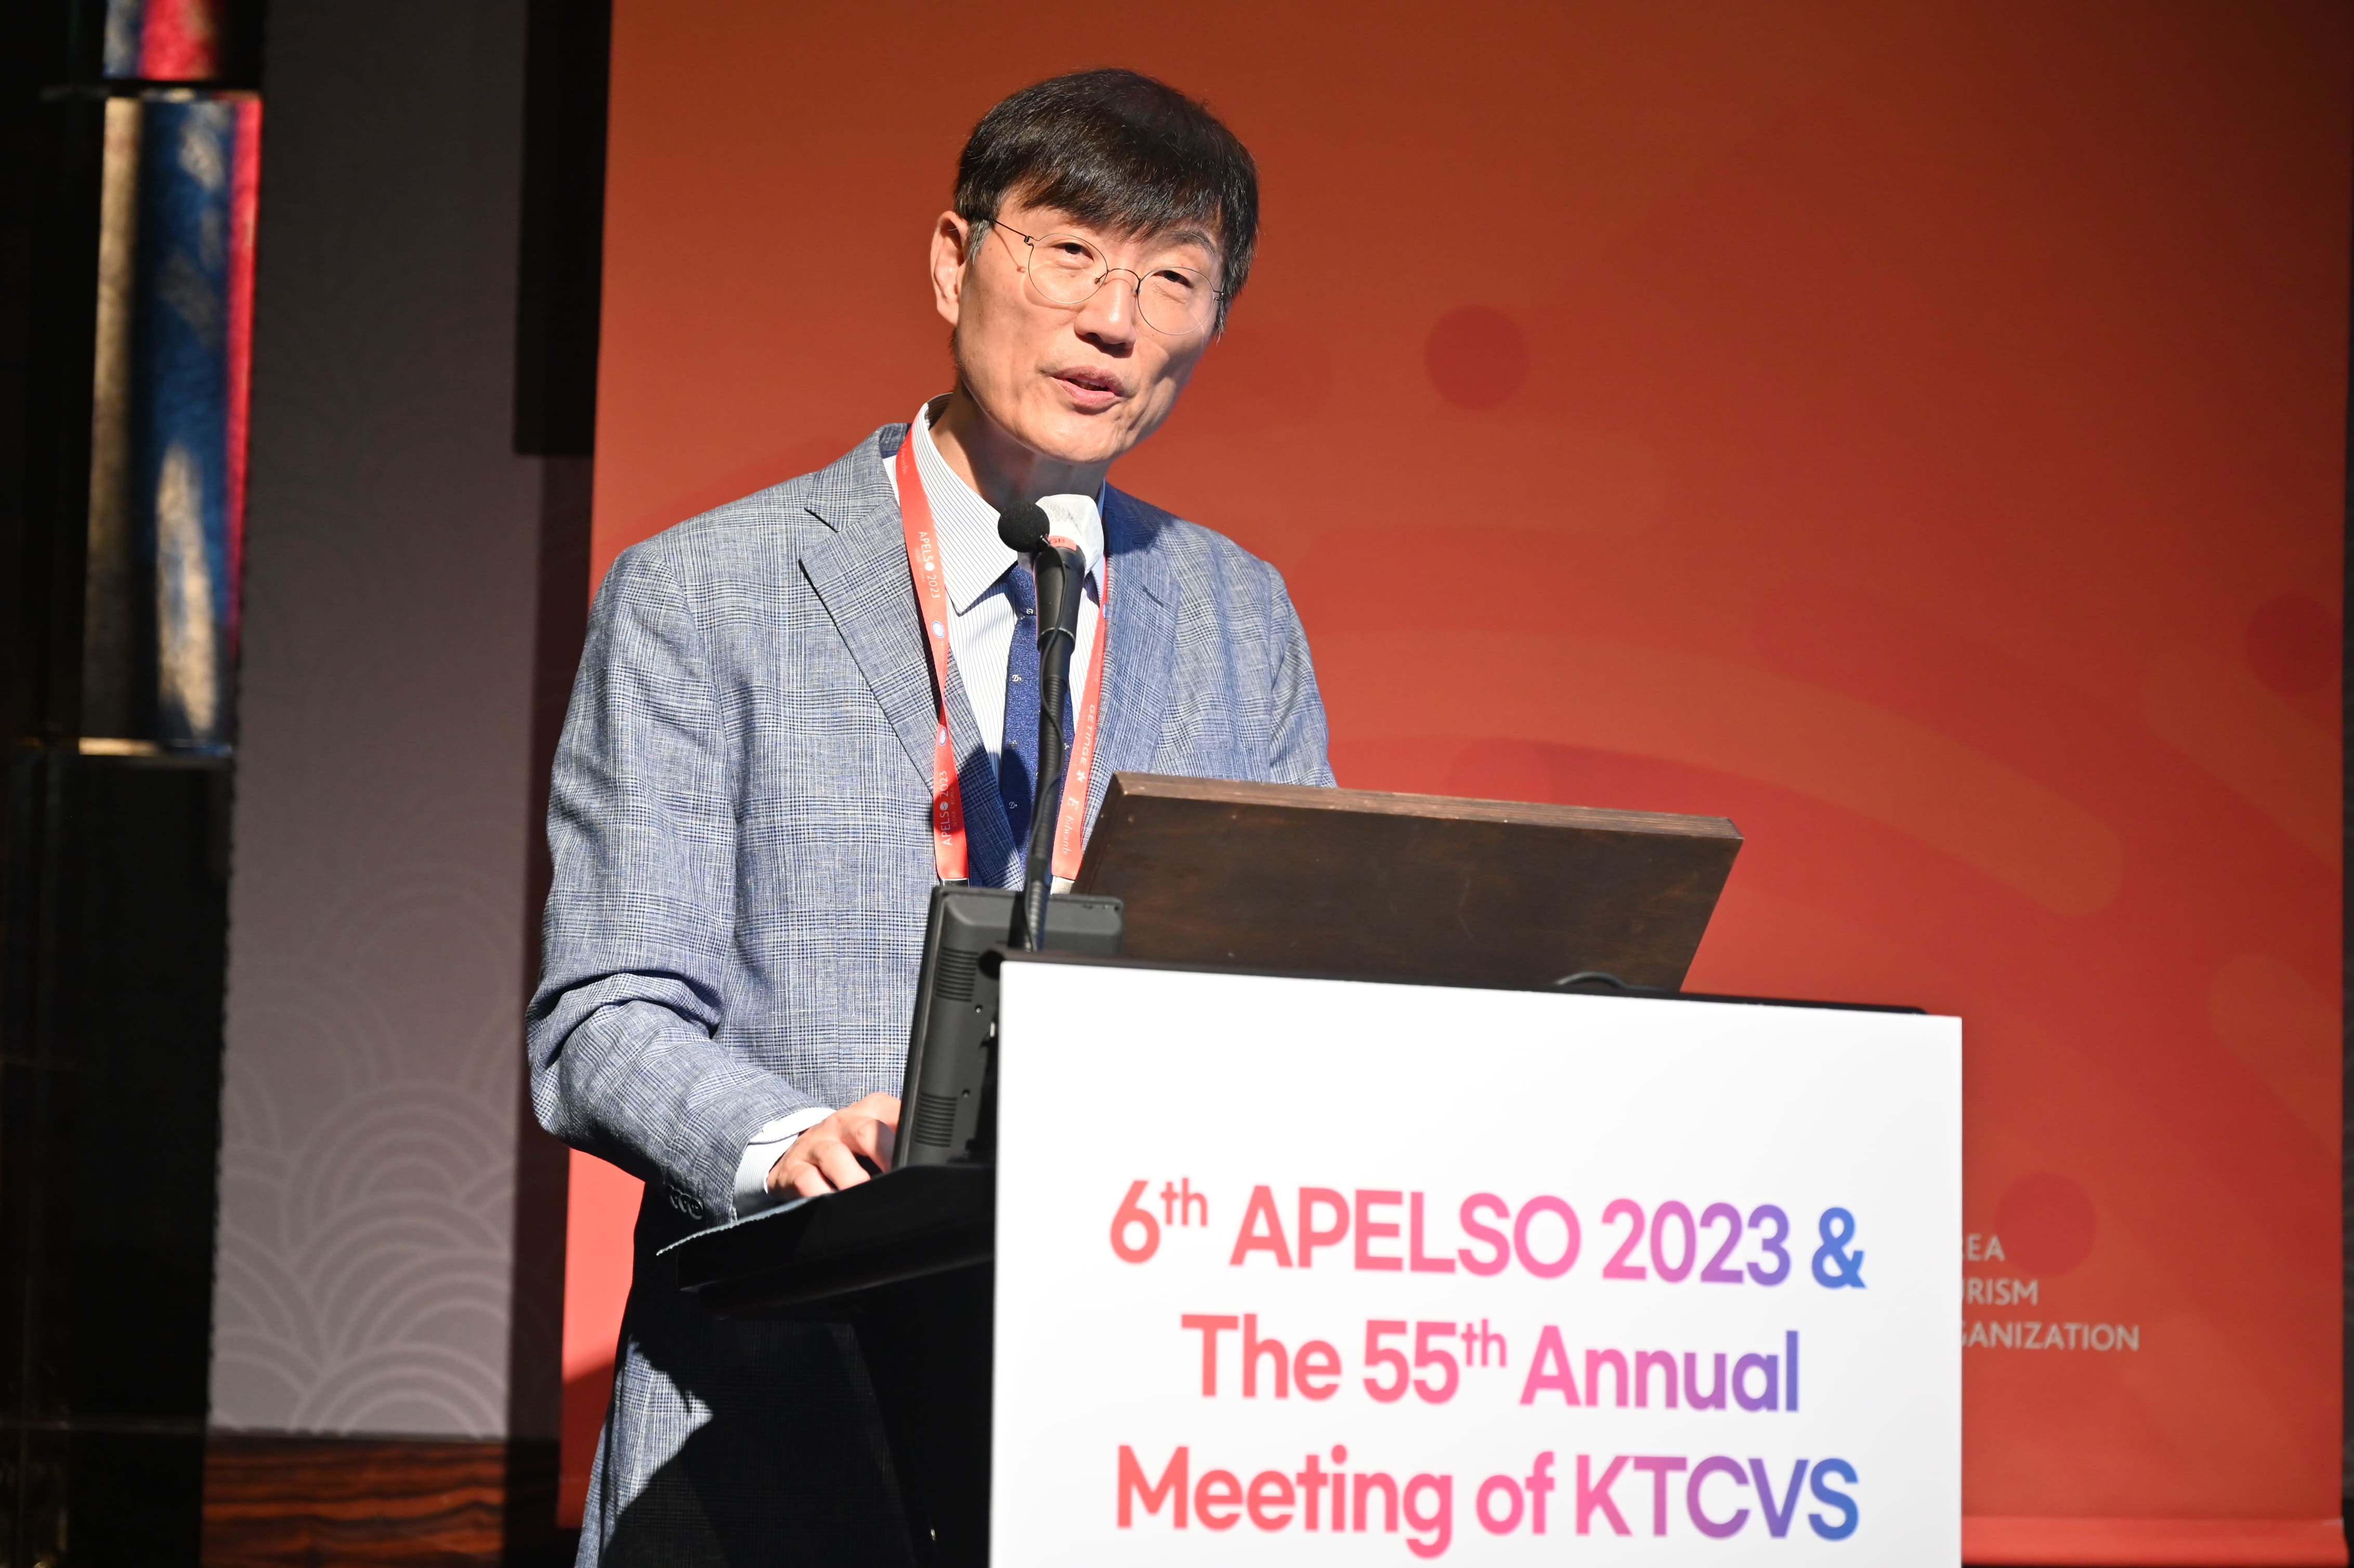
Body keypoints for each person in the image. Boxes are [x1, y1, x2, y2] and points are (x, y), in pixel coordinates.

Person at [528, 67, 1333, 1563]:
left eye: (1172, 279)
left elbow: (1288, 992)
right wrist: (786, 1146)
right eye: (1071, 252)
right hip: (773, 1408)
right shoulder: (702, 593)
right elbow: (603, 1016)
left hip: (1129, 1422)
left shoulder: (1240, 617)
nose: (1115, 320)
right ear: (957, 262)